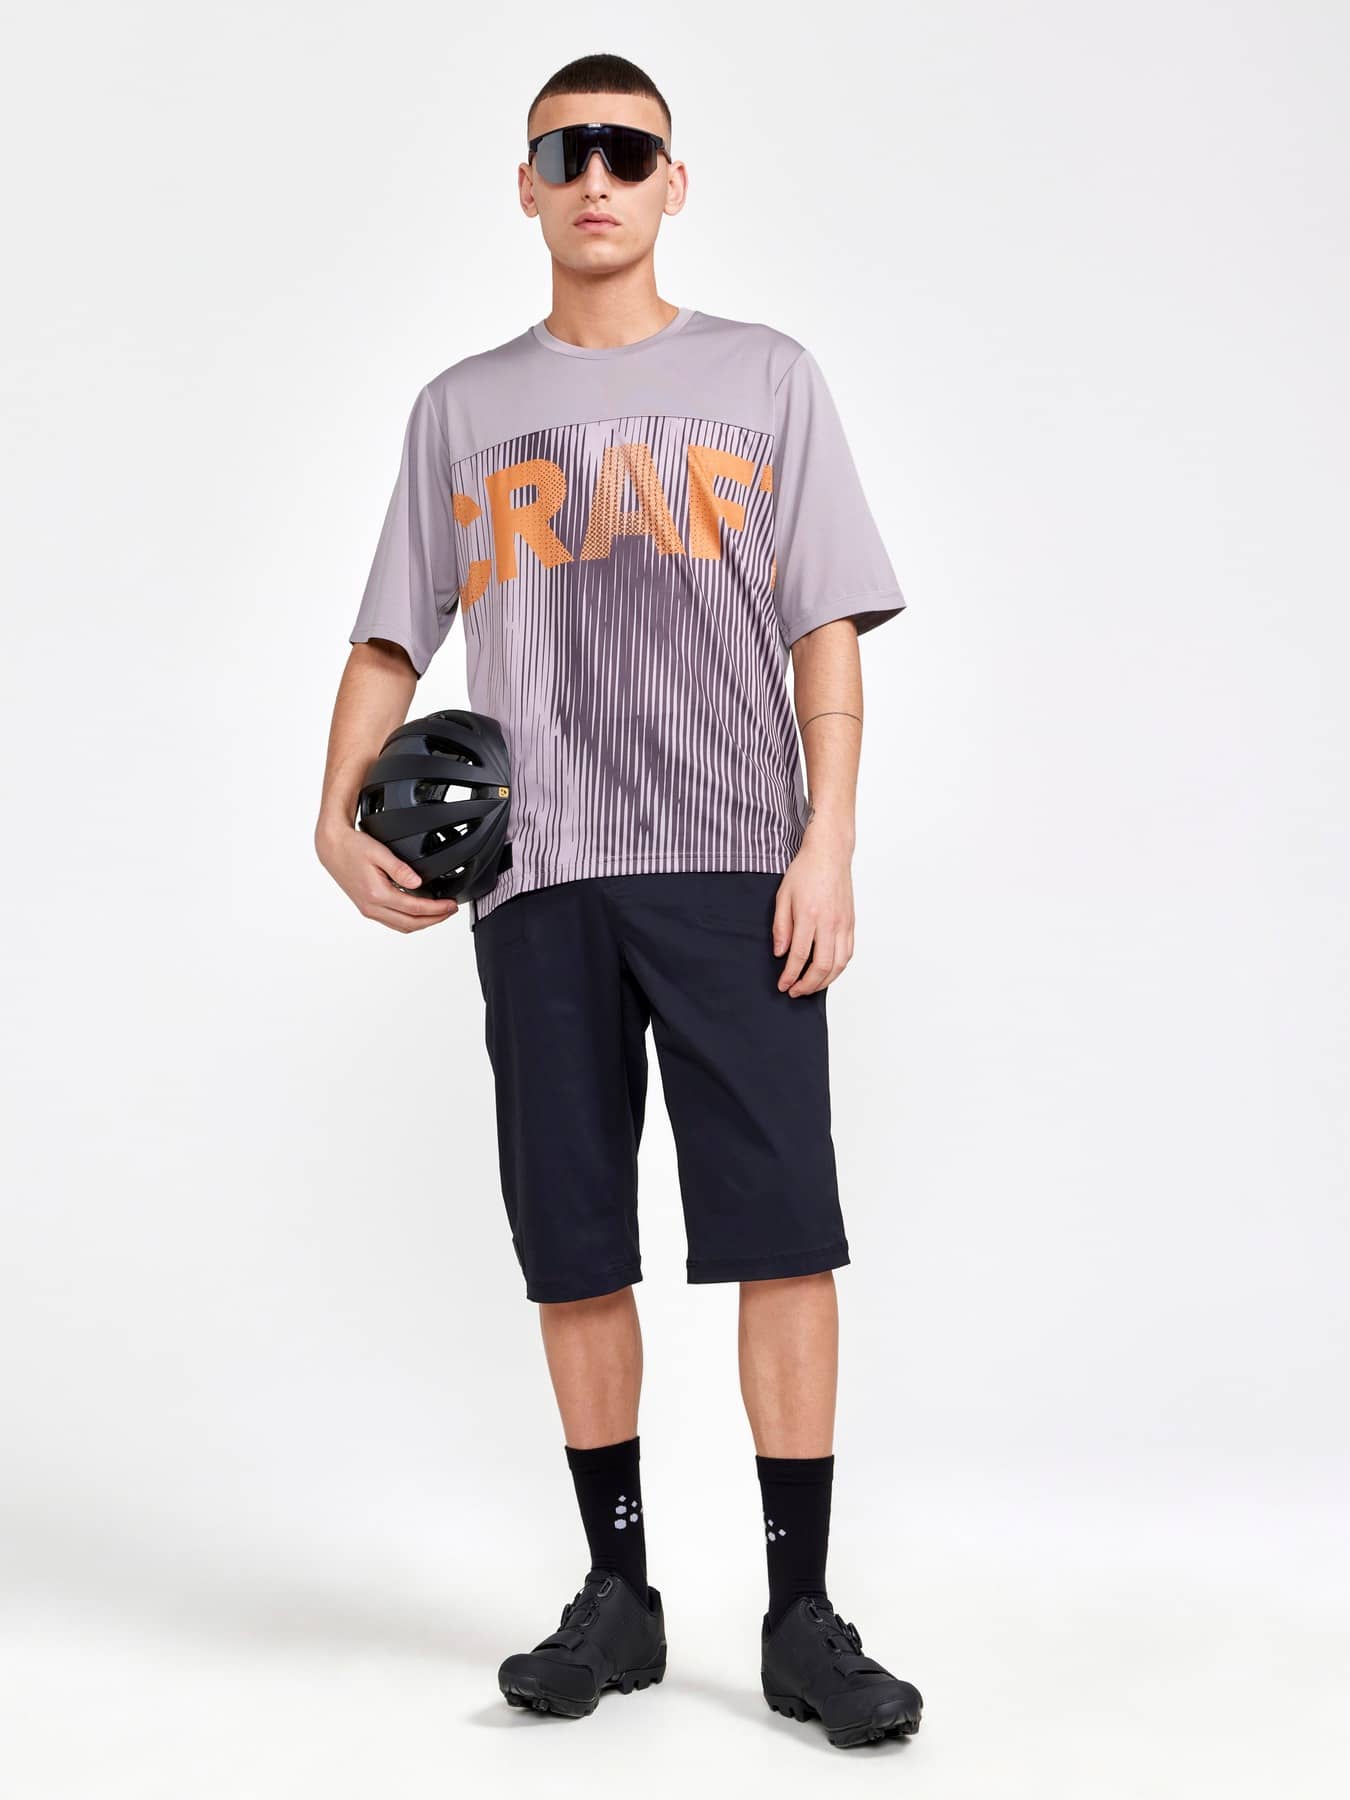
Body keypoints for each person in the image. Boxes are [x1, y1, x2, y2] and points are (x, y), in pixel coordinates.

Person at [314, 52, 924, 1751]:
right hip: (541, 876)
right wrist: (327, 815)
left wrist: (829, 840)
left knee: (781, 1231)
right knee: (573, 1239)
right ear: (524, 186)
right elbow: (389, 635)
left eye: (626, 152)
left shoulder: (764, 377)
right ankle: (619, 1595)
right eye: (564, 152)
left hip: (735, 860)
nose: (596, 176)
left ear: (671, 181)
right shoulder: (460, 408)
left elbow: (822, 628)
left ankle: (799, 1617)